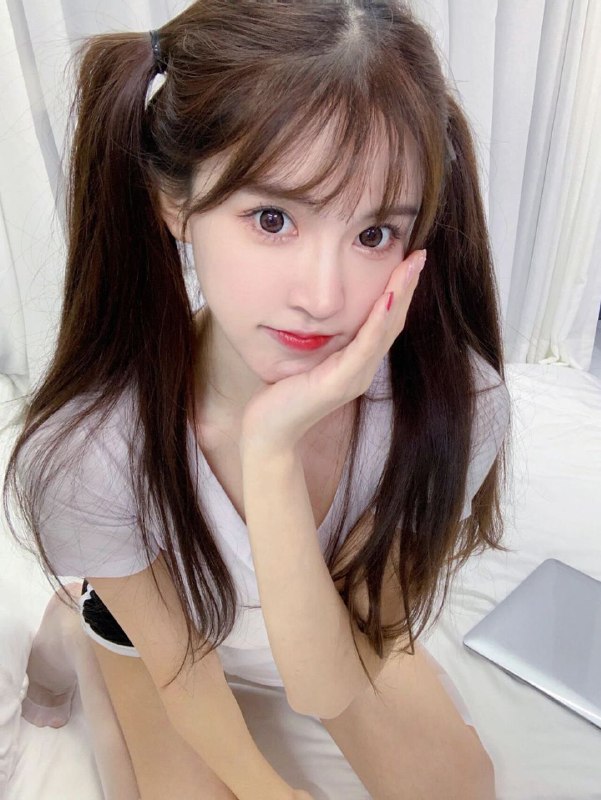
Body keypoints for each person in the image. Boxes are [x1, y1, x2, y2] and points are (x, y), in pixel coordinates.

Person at [4, 1, 511, 798]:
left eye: (373, 234)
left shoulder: (454, 406)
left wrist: (270, 450)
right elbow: (180, 669)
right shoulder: (92, 451)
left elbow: (331, 681)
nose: (323, 296)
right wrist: (272, 790)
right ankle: (74, 626)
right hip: (167, 643)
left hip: (321, 634)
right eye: (272, 218)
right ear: (177, 204)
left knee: (461, 789)